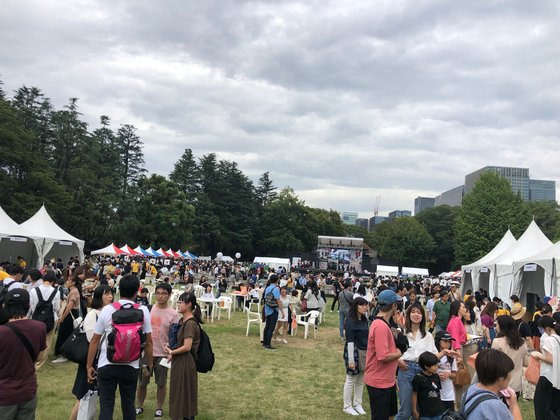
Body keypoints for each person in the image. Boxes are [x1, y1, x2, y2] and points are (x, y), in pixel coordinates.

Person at [86, 274, 153, 420]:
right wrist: (149, 364)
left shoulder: (108, 310)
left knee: (106, 407)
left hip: (107, 363)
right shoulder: (143, 310)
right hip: (131, 364)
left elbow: (95, 340)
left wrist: (89, 365)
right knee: (128, 405)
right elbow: (148, 342)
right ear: (136, 292)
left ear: (118, 290)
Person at [396, 302, 451, 420]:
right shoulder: (401, 332)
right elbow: (392, 350)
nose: (416, 315)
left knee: (421, 410)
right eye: (414, 312)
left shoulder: (427, 335)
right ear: (408, 314)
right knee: (405, 411)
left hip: (423, 372)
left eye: (419, 312)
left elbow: (433, 356)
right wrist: (398, 359)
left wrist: (445, 352)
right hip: (406, 370)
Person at [0, 289, 47, 419]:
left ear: (5, 306)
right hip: (27, 390)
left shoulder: (2, 332)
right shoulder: (40, 327)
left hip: (4, 394)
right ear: (29, 305)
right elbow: (40, 357)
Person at [136, 282, 179, 418]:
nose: (160, 296)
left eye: (164, 293)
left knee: (161, 383)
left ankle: (159, 408)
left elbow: (175, 336)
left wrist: (172, 352)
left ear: (169, 295)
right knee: (142, 382)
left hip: (163, 354)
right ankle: (140, 406)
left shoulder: (174, 314)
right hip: (147, 352)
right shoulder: (148, 309)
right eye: (158, 293)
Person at [70, 285, 113, 420]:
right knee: (84, 396)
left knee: (92, 395)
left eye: (111, 294)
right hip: (91, 359)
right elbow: (92, 339)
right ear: (99, 296)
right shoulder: (92, 314)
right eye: (106, 294)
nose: (110, 296)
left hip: (102, 359)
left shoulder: (109, 313)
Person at [364, 289, 402, 420]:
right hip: (379, 382)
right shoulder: (380, 326)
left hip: (387, 381)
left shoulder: (383, 323)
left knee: (391, 415)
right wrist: (399, 353)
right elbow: (383, 356)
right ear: (393, 306)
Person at [166, 292, 202, 420]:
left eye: (181, 302)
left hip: (186, 362)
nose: (178, 304)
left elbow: (187, 346)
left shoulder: (190, 323)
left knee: (185, 395)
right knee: (179, 393)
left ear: (189, 304)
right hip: (180, 361)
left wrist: (171, 352)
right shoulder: (184, 321)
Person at [462, 349, 522, 420]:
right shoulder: (494, 405)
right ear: (500, 377)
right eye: (509, 372)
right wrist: (514, 405)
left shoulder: (471, 389)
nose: (510, 376)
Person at [27, 270, 60, 368]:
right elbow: (57, 308)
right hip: (51, 319)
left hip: (35, 319)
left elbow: (30, 306)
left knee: (35, 339)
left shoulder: (33, 290)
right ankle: (40, 362)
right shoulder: (56, 292)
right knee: (47, 341)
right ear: (53, 282)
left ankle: (33, 358)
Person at [342, 297, 369, 416]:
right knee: (351, 379)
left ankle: (357, 403)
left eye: (366, 305)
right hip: (353, 351)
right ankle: (347, 405)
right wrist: (351, 360)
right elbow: (350, 342)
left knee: (361, 380)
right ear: (356, 306)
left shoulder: (364, 319)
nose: (365, 307)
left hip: (364, 352)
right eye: (362, 305)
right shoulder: (350, 320)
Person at [491, 315, 529, 399]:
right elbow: (526, 363)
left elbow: (493, 363)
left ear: (502, 326)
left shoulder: (497, 342)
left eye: (496, 325)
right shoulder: (522, 342)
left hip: (499, 384)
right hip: (516, 384)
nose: (495, 327)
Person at [532, 316, 560, 420]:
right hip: (556, 377)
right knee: (555, 407)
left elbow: (550, 359)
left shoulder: (549, 340)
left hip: (547, 376)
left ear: (547, 328)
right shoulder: (558, 338)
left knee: (542, 407)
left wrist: (538, 356)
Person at [54, 270, 84, 363]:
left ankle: (64, 354)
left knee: (65, 333)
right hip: (70, 314)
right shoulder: (73, 291)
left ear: (73, 282)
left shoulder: (74, 292)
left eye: (69, 281)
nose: (67, 282)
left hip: (70, 315)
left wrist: (62, 318)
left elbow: (69, 307)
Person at [411, 351, 445, 420]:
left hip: (438, 412)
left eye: (437, 364)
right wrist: (414, 411)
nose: (436, 367)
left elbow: (438, 392)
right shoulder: (418, 378)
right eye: (434, 365)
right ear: (426, 366)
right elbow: (414, 395)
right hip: (425, 414)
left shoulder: (436, 377)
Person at [434, 331, 458, 411]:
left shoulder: (451, 357)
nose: (448, 343)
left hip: (448, 394)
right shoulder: (434, 356)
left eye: (449, 341)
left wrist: (448, 375)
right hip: (435, 393)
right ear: (438, 341)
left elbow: (454, 375)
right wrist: (437, 376)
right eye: (445, 341)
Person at [262, 275, 283, 350]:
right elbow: (278, 301)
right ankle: (268, 344)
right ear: (277, 280)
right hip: (274, 310)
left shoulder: (268, 287)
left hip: (267, 309)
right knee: (271, 327)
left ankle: (265, 342)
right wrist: (282, 311)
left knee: (267, 326)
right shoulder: (276, 288)